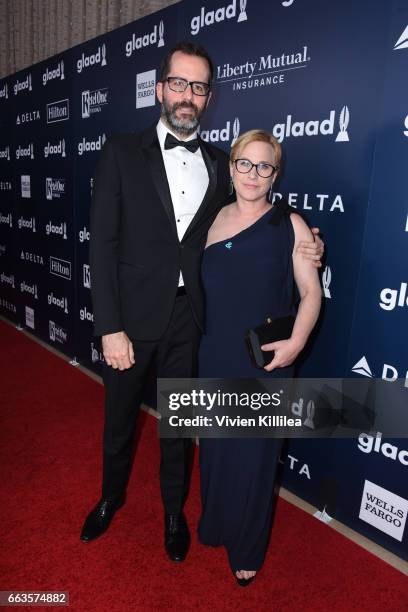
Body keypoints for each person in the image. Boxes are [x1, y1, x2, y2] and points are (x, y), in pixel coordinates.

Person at [81, 41, 324, 562]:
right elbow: (101, 244)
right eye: (178, 83)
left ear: (208, 97)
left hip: (193, 321)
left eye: (198, 87)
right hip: (131, 320)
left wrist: (310, 241)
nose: (187, 96)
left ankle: (174, 513)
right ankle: (109, 498)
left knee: (178, 425)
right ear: (160, 88)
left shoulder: (222, 164)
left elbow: (258, 220)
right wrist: (109, 326)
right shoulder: (122, 151)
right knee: (120, 420)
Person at [198, 130, 322, 585]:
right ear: (231, 167)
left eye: (264, 166)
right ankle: (215, 524)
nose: (253, 174)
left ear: (275, 173)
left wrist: (297, 343)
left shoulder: (290, 223)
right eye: (245, 164)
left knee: (253, 459)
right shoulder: (208, 218)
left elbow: (311, 292)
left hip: (265, 361)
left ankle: (247, 548)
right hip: (212, 352)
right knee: (214, 449)